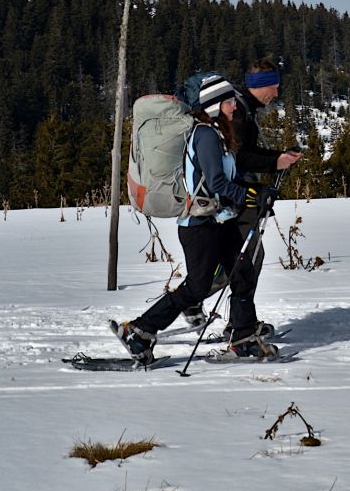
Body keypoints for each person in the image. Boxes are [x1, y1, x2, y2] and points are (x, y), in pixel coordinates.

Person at [112, 76, 280, 362]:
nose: (233, 107)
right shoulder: (205, 135)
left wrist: (258, 191)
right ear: (214, 106)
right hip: (198, 224)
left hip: (218, 220)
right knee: (198, 286)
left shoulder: (219, 134)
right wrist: (250, 197)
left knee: (241, 271)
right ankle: (140, 330)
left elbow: (229, 177)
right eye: (228, 102)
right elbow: (216, 183)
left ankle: (244, 337)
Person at [177, 58, 301, 329]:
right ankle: (235, 324)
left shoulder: (244, 109)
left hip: (237, 196)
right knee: (246, 258)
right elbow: (238, 157)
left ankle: (231, 318)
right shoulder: (240, 113)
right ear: (261, 86)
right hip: (236, 197)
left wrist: (278, 157)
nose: (277, 93)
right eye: (274, 87)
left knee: (240, 259)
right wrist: (273, 163)